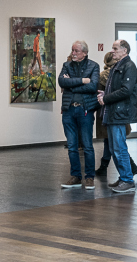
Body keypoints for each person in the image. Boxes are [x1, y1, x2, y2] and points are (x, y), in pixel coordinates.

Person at [97, 39, 137, 193]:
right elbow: (118, 89)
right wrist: (105, 93)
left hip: (119, 113)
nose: (112, 51)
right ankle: (124, 177)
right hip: (113, 112)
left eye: (115, 48)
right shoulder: (118, 66)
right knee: (115, 147)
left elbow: (126, 90)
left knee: (119, 147)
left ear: (124, 51)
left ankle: (128, 180)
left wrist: (106, 98)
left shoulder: (129, 67)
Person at [57, 41, 100, 190]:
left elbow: (93, 86)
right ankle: (75, 176)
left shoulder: (93, 66)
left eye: (76, 51)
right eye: (72, 50)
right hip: (68, 110)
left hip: (85, 110)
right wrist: (82, 81)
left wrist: (71, 86)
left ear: (85, 53)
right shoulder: (66, 65)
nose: (73, 53)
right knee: (72, 146)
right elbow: (61, 81)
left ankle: (89, 177)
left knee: (87, 146)